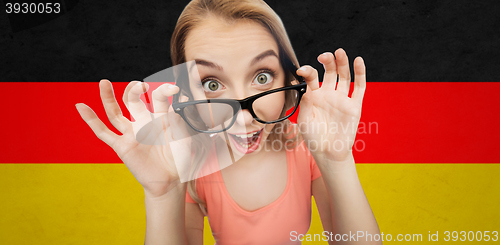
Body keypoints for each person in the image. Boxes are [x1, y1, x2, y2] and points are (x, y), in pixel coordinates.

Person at [75, 0, 381, 244]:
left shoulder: (304, 149)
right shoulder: (191, 167)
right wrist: (164, 192)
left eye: (262, 77)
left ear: (288, 77)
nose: (243, 114)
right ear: (183, 91)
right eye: (211, 83)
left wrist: (336, 160)